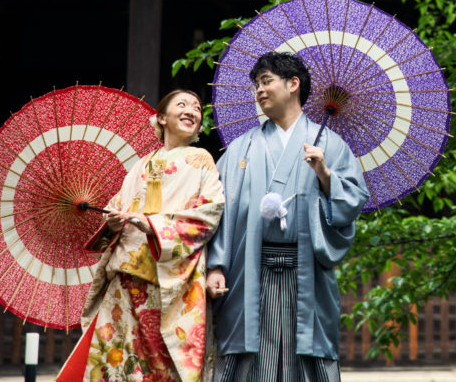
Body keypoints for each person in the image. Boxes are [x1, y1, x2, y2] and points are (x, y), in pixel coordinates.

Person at [206, 51, 369, 382]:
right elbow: (216, 209)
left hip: (306, 270)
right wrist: (216, 265)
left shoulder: (331, 147)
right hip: (250, 270)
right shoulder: (241, 148)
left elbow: (352, 202)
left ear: (293, 84)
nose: (259, 91)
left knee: (308, 356)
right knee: (250, 357)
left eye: (266, 81)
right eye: (256, 85)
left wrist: (325, 174)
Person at [57, 90, 225, 382]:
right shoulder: (140, 165)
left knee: (163, 366)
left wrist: (153, 226)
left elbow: (210, 213)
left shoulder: (201, 159)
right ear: (161, 118)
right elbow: (120, 208)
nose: (192, 111)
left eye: (197, 108)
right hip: (126, 278)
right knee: (119, 363)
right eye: (182, 105)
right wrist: (112, 222)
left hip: (170, 279)